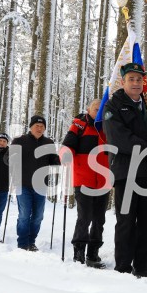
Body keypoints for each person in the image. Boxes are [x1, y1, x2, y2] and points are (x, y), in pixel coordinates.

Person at [103, 63, 147, 278]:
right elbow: (118, 137)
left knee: (146, 223)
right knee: (126, 221)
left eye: (139, 79)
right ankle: (123, 267)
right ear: (123, 82)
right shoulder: (113, 106)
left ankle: (142, 267)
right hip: (126, 172)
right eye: (131, 79)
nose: (135, 83)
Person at [61, 99, 110, 268]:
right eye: (96, 108)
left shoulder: (108, 127)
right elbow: (67, 144)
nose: (99, 111)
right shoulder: (79, 125)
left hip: (104, 180)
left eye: (101, 109)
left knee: (99, 219)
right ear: (89, 109)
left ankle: (93, 253)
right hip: (83, 178)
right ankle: (79, 251)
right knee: (85, 216)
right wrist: (66, 153)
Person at [10, 115, 61, 251]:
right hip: (23, 183)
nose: (39, 128)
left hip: (40, 185)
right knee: (25, 214)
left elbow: (53, 161)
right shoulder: (20, 140)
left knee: (38, 216)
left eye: (42, 126)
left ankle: (31, 242)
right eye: (37, 126)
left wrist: (59, 160)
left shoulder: (48, 143)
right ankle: (22, 244)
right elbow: (7, 159)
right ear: (31, 127)